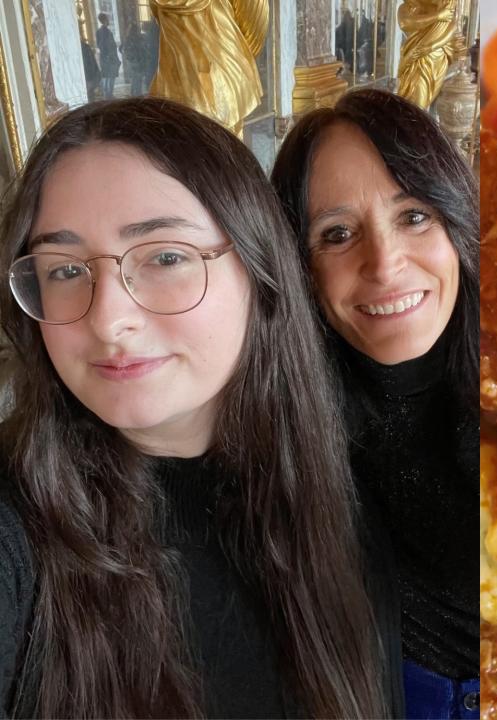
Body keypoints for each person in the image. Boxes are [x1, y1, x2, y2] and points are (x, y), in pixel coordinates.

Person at [0, 97, 396, 718]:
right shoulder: (16, 530)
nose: (109, 320)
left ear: (258, 268)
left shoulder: (347, 473)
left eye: (164, 257)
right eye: (66, 268)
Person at [272, 89, 479, 720]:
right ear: (301, 268)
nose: (385, 266)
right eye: (337, 234)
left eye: (414, 216)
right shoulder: (279, 433)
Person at [95, 13, 120, 98]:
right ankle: (109, 96)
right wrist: (111, 56)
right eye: (107, 19)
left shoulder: (99, 31)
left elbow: (99, 45)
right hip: (109, 58)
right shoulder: (106, 32)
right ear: (105, 20)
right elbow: (107, 46)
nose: (109, 20)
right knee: (110, 77)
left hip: (105, 58)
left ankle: (108, 95)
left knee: (106, 77)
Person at [121, 20, 148, 96]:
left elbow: (123, 49)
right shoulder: (138, 38)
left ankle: (134, 94)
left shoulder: (128, 38)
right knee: (137, 80)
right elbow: (142, 50)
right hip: (137, 62)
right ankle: (138, 95)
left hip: (132, 62)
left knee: (134, 79)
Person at [80, 37, 100, 102]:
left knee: (89, 96)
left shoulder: (84, 47)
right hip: (88, 76)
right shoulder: (85, 47)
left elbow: (91, 63)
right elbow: (92, 63)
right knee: (90, 96)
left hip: (87, 76)